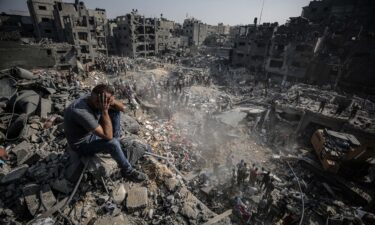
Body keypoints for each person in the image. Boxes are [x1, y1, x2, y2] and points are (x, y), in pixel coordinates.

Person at [64, 84, 147, 181]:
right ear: (97, 100)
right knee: (112, 143)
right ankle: (127, 171)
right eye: (106, 102)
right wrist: (104, 111)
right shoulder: (80, 111)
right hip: (81, 145)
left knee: (115, 111)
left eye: (108, 101)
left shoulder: (94, 98)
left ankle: (116, 147)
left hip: (91, 134)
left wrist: (112, 102)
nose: (107, 104)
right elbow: (108, 137)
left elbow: (123, 108)